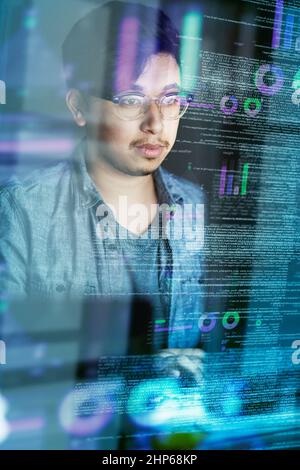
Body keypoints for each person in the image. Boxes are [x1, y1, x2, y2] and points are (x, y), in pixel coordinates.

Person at [0, 1, 205, 363]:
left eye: (171, 100)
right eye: (130, 99)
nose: (155, 124)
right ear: (79, 107)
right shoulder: (22, 211)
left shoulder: (192, 203)